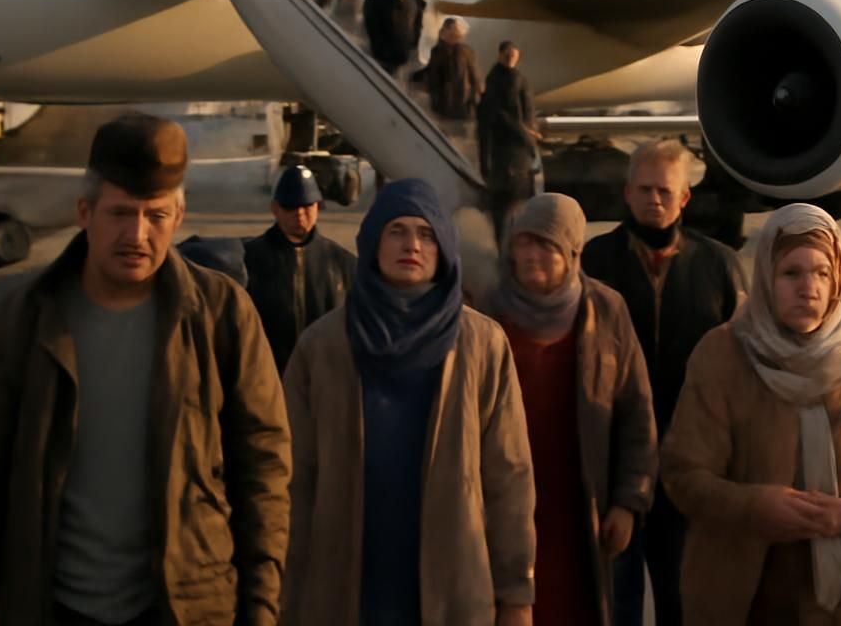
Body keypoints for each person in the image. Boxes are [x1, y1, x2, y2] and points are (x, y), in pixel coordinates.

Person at [0, 113, 290, 626]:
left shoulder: (222, 318)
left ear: (179, 213)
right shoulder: (19, 325)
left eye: (157, 216)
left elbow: (264, 471)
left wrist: (260, 609)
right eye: (121, 213)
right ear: (85, 211)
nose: (138, 234)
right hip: (53, 608)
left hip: (187, 606)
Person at [662, 204, 841, 624]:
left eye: (821, 273)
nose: (808, 288)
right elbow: (685, 474)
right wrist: (757, 506)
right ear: (765, 278)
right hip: (751, 592)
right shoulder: (723, 356)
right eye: (791, 273)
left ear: (839, 279)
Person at [279, 178, 536, 626]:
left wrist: (515, 594)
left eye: (426, 234)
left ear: (444, 249)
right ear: (373, 242)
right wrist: (279, 589)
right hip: (345, 577)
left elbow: (508, 476)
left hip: (452, 575)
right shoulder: (322, 346)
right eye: (396, 230)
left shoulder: (482, 344)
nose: (411, 245)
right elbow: (291, 479)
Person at [580, 138, 747, 626]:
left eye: (664, 191)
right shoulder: (593, 262)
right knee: (616, 603)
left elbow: (740, 364)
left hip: (690, 463)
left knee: (686, 600)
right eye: (645, 189)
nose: (654, 199)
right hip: (613, 463)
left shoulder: (717, 266)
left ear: (684, 198)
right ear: (627, 193)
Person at [484, 193, 657, 626]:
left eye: (544, 244)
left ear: (573, 253)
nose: (529, 255)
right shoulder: (485, 313)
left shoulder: (605, 311)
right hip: (502, 508)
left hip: (580, 507)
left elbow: (637, 413)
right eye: (523, 243)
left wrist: (628, 501)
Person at [243, 165, 357, 378]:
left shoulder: (344, 264)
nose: (300, 213)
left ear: (317, 206)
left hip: (327, 381)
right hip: (268, 381)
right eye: (290, 206)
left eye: (307, 205)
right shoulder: (249, 260)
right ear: (275, 208)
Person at [478, 41, 542, 245]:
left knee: (517, 206)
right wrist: (527, 135)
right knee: (509, 205)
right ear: (500, 55)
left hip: (517, 152)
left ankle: (512, 245)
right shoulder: (497, 80)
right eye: (507, 55)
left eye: (513, 55)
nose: (510, 58)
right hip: (508, 154)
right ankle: (507, 247)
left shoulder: (518, 78)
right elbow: (498, 117)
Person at [363, 0, 427, 80]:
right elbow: (371, 23)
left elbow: (417, 25)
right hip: (380, 57)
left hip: (402, 57)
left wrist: (412, 47)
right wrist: (380, 49)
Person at [426, 16, 484, 132]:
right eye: (453, 30)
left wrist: (476, 99)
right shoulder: (438, 52)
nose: (458, 34)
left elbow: (476, 79)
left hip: (463, 107)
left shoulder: (466, 52)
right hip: (447, 108)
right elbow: (433, 80)